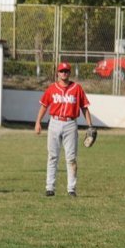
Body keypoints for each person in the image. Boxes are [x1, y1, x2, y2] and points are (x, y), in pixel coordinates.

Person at [34, 62, 93, 197]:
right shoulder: (52, 89)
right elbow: (44, 106)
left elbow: (84, 107)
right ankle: (50, 187)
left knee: (71, 158)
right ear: (57, 73)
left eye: (66, 71)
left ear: (69, 73)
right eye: (61, 71)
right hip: (54, 122)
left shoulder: (77, 88)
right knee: (52, 156)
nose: (64, 73)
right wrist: (38, 122)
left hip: (70, 124)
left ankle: (71, 189)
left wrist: (90, 125)